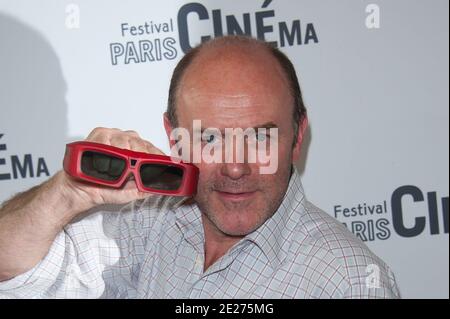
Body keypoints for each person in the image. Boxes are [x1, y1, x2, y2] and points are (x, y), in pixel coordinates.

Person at [0, 36, 400, 298]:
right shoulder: (149, 222)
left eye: (260, 137)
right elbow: (9, 265)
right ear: (173, 136)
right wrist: (67, 194)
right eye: (209, 138)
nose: (237, 167)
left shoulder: (350, 282)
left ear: (297, 138)